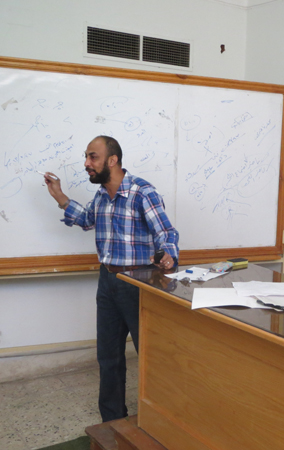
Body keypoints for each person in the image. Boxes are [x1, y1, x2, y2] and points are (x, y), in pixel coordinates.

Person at [43, 135, 179, 422]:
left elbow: (166, 232)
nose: (86, 163)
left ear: (112, 160)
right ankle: (113, 422)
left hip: (140, 282)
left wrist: (168, 254)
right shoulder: (102, 195)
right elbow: (87, 219)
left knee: (151, 356)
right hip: (107, 281)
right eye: (86, 156)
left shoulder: (142, 192)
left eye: (93, 157)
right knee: (108, 357)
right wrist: (60, 197)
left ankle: (161, 422)